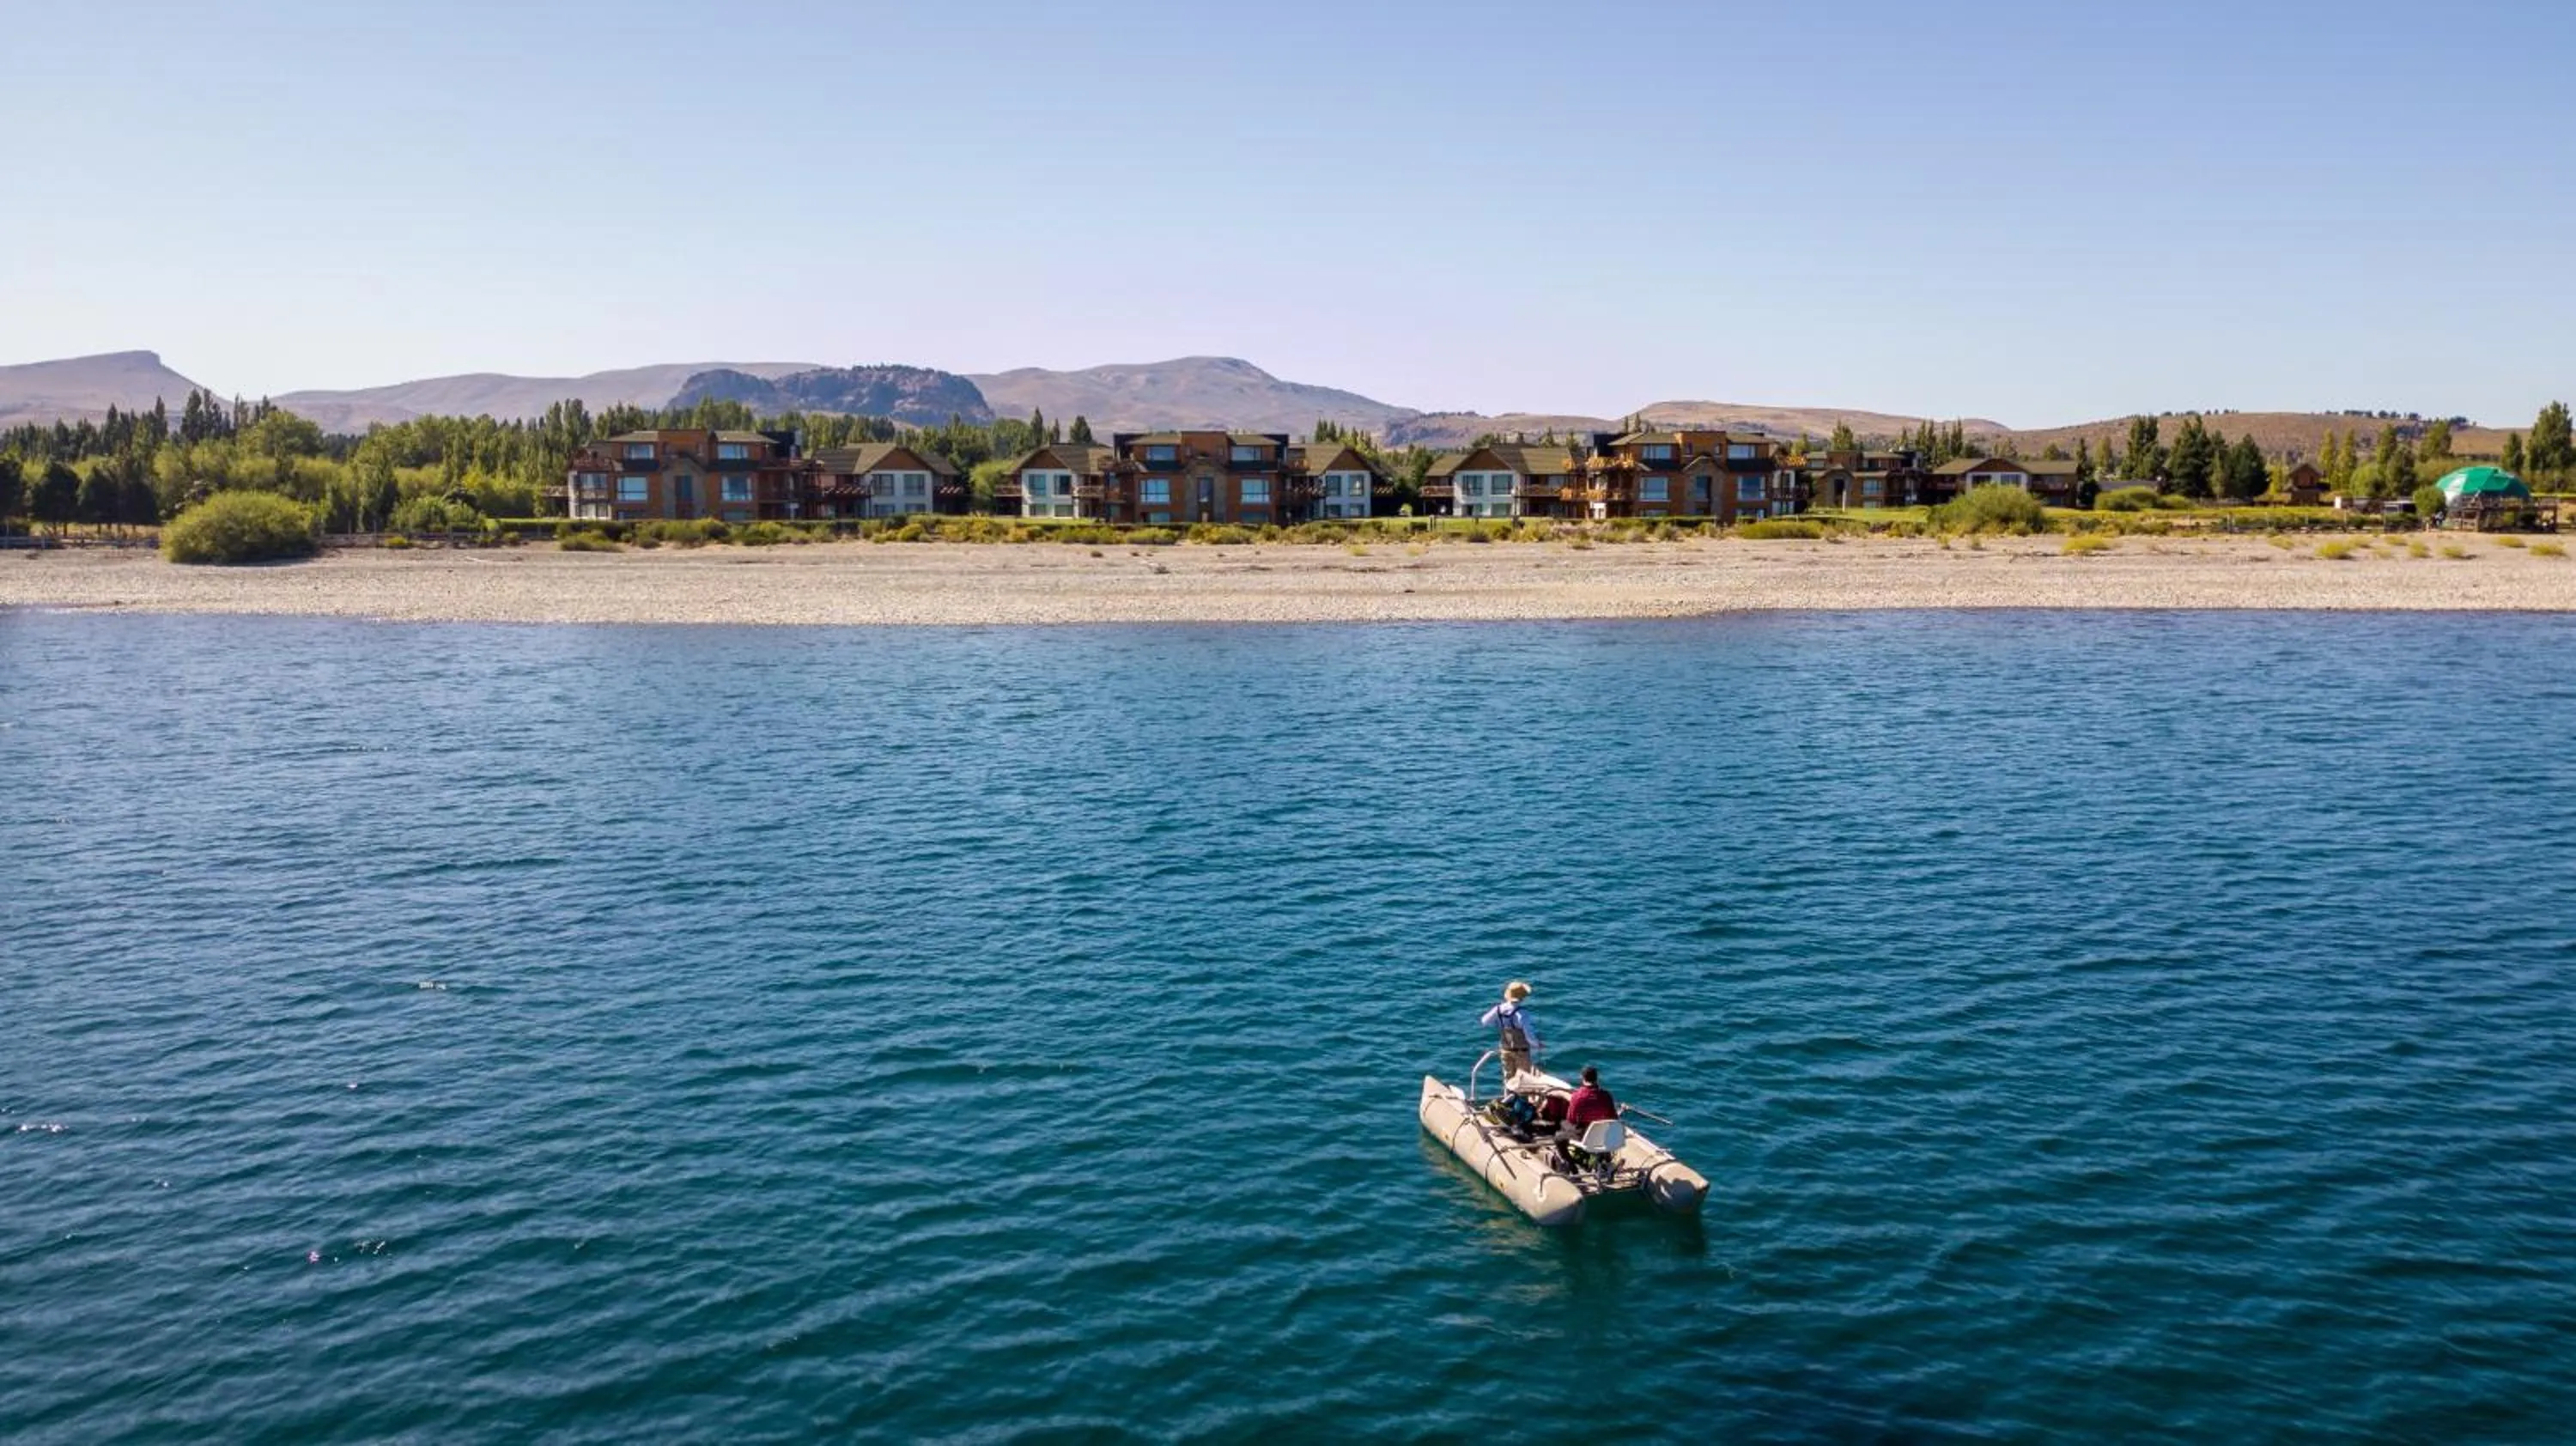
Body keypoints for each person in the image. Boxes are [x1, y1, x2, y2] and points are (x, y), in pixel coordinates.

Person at [1479, 981, 1541, 1080]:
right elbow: (1528, 1035)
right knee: (1524, 1079)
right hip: (1521, 1051)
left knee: (1508, 1078)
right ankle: (1521, 1096)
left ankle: (1509, 1094)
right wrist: (1537, 1045)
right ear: (1522, 997)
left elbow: (1484, 1021)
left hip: (1505, 1049)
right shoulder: (1523, 1013)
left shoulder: (1498, 1009)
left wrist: (1497, 1023)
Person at [1564, 1066, 1619, 1133]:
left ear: (1583, 1078)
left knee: (1562, 1125)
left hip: (1583, 1133)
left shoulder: (1577, 1096)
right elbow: (1613, 1118)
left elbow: (1571, 1119)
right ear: (1597, 1078)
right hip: (1602, 1133)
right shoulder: (1606, 1096)